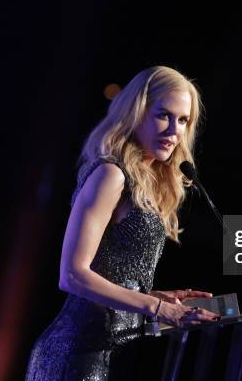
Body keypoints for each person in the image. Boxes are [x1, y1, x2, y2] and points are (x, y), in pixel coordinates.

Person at [26, 66, 219, 380]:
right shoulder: (111, 175)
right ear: (137, 113)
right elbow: (72, 276)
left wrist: (158, 297)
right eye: (163, 115)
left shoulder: (152, 185)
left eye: (183, 120)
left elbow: (113, 276)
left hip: (113, 356)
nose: (174, 130)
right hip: (76, 356)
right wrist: (159, 309)